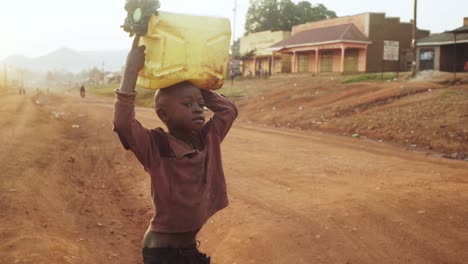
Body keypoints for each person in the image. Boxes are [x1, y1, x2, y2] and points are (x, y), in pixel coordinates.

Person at [113, 41, 238, 264]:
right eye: (187, 104)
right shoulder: (156, 145)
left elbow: (228, 111)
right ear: (164, 114)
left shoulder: (209, 139)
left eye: (201, 104)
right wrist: (131, 70)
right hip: (163, 254)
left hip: (189, 250)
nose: (198, 109)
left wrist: (196, 81)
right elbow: (123, 124)